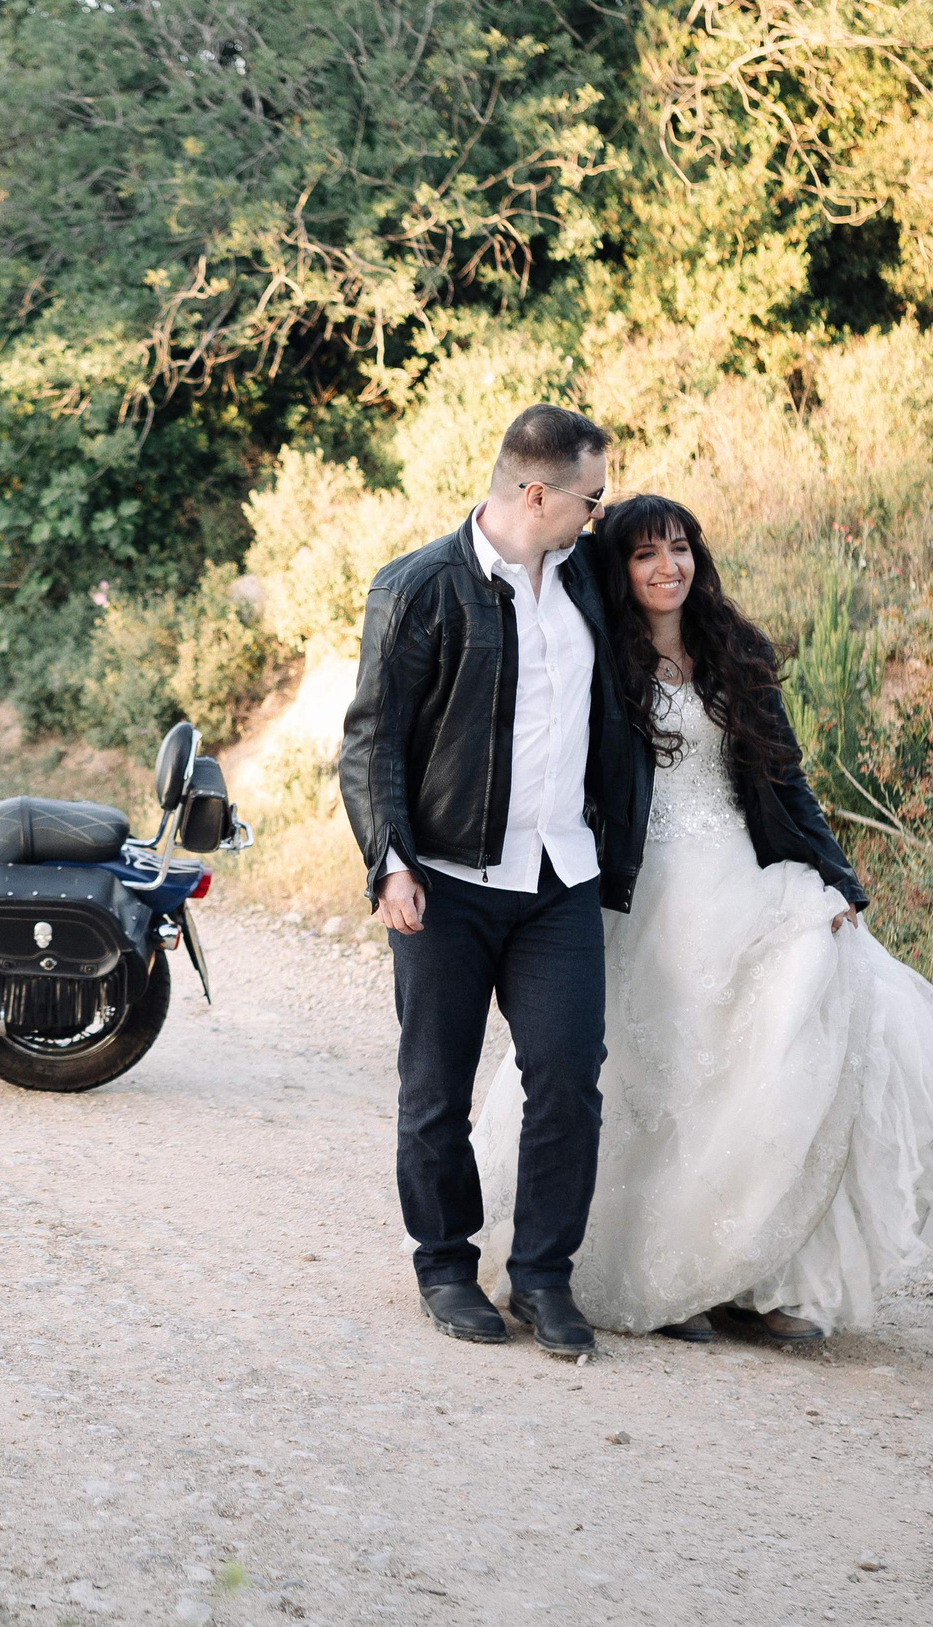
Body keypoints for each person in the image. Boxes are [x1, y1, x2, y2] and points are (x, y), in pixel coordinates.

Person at [470, 493, 933, 1343]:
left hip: (744, 876)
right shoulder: (600, 657)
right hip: (644, 886)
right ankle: (657, 1279)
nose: (666, 567)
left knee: (785, 1041)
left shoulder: (735, 651)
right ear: (621, 569)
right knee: (658, 1079)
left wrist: (838, 878)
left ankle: (756, 1277)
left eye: (679, 548)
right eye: (645, 554)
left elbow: (786, 779)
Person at [338, 404, 652, 1357]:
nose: (601, 517)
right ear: (536, 494)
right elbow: (372, 742)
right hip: (444, 878)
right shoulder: (420, 587)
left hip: (559, 872)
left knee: (568, 1078)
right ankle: (444, 1263)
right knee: (436, 1081)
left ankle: (544, 1278)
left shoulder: (587, 580)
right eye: (592, 501)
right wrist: (388, 863)